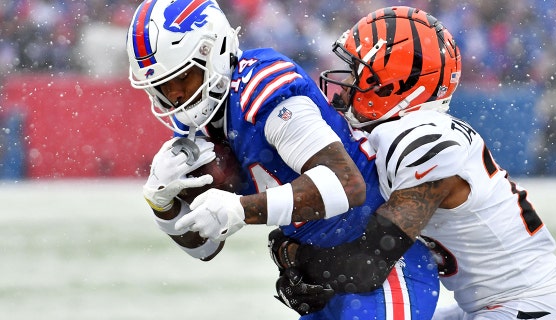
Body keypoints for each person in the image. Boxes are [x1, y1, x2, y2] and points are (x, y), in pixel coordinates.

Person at [126, 1, 439, 318]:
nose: (177, 96)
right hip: (325, 274)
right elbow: (204, 246)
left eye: (184, 78)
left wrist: (240, 209)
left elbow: (347, 185)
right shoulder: (197, 124)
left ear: (215, 51)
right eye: (163, 87)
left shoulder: (261, 89)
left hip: (382, 259)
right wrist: (162, 205)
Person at [270, 6, 556, 320]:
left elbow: (367, 265)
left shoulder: (423, 144)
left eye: (357, 70)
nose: (345, 81)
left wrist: (298, 256)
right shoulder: (408, 131)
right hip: (488, 304)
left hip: (528, 308)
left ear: (392, 83)